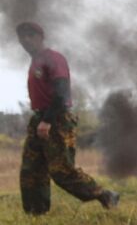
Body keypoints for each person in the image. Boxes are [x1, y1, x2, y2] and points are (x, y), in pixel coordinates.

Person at [15, 21, 118, 214]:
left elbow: (61, 93)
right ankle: (36, 213)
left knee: (61, 171)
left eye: (31, 35)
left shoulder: (54, 58)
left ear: (40, 37)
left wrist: (47, 121)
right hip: (39, 118)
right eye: (22, 36)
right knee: (31, 170)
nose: (26, 40)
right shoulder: (35, 61)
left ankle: (104, 194)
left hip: (56, 119)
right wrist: (40, 120)